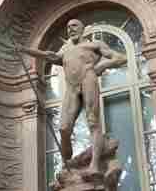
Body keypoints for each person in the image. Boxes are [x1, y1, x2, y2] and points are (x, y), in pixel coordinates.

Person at [16, 19, 126, 175]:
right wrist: (25, 50)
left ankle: (94, 165)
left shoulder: (93, 45)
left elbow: (121, 58)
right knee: (63, 128)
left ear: (82, 29)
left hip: (88, 79)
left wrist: (101, 66)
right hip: (72, 88)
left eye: (74, 26)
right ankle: (66, 166)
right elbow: (49, 56)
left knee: (93, 122)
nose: (70, 29)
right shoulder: (66, 50)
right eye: (68, 27)